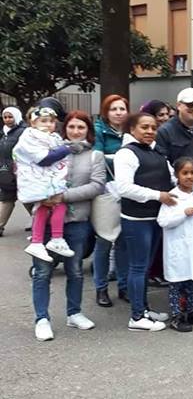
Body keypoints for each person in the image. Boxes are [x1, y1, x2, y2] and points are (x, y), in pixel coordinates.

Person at [30, 111, 104, 341]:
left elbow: (97, 186)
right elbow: (30, 175)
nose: (75, 131)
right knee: (42, 272)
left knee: (74, 271)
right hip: (45, 221)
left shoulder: (95, 156)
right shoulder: (49, 150)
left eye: (81, 127)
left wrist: (64, 196)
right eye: (71, 127)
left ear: (88, 131)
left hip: (76, 221)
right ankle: (42, 318)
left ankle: (74, 312)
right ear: (65, 129)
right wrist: (42, 195)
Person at [114, 113, 176, 332]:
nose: (150, 131)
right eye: (144, 127)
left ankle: (145, 309)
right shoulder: (126, 154)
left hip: (156, 217)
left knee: (146, 267)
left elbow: (170, 178)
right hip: (137, 219)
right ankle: (137, 316)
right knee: (138, 267)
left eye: (153, 127)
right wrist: (158, 195)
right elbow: (124, 187)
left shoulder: (156, 151)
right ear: (132, 129)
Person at [157, 157, 193, 332]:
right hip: (178, 247)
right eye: (185, 173)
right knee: (177, 282)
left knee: (191, 279)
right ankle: (176, 314)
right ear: (177, 175)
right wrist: (183, 213)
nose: (189, 177)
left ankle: (191, 311)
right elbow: (163, 221)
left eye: (192, 173)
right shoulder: (172, 196)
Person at [15, 107, 77, 262]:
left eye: (51, 121)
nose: (48, 124)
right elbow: (44, 158)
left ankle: (41, 241)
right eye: (43, 121)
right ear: (33, 122)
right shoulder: (30, 136)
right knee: (54, 205)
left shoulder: (52, 136)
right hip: (38, 179)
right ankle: (51, 239)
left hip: (46, 179)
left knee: (45, 208)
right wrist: (66, 149)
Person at [92, 95, 128, 307]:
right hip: (105, 190)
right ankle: (101, 288)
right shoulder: (99, 129)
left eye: (122, 108)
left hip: (127, 190)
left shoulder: (131, 130)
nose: (118, 112)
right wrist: (122, 158)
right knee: (104, 241)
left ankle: (124, 287)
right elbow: (96, 157)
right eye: (113, 109)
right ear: (106, 112)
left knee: (124, 243)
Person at [0, 106, 26, 237]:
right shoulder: (3, 132)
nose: (7, 119)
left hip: (21, 170)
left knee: (28, 199)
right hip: (5, 170)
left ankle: (42, 223)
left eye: (10, 117)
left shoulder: (23, 131)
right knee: (7, 198)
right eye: (5, 117)